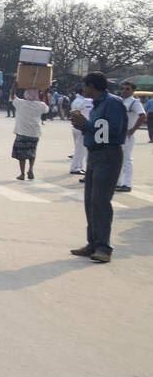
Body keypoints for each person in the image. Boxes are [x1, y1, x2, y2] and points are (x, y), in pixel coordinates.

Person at [69, 72, 128, 263]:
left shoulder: (113, 103)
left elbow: (113, 130)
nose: (82, 88)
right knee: (90, 201)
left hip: (108, 154)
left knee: (101, 201)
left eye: (84, 85)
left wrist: (87, 125)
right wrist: (85, 127)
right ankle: (93, 243)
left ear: (92, 86)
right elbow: (98, 129)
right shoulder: (96, 104)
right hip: (94, 154)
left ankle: (104, 247)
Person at [10, 88, 49, 180]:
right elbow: (47, 107)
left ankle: (22, 174)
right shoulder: (41, 105)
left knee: (21, 155)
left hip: (22, 133)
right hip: (34, 133)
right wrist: (45, 94)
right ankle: (30, 169)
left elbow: (12, 96)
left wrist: (14, 86)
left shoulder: (21, 103)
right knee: (32, 153)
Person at [115, 80, 146, 193]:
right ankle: (118, 182)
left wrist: (132, 130)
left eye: (127, 89)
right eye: (122, 88)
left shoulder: (134, 102)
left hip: (127, 134)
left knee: (127, 159)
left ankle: (127, 183)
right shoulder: (120, 101)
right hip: (119, 133)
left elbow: (142, 116)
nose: (124, 91)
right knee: (119, 159)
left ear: (133, 91)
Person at [69, 88, 92, 175]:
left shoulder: (77, 100)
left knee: (79, 148)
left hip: (77, 127)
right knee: (81, 149)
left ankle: (77, 167)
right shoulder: (84, 101)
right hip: (82, 127)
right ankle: (76, 167)